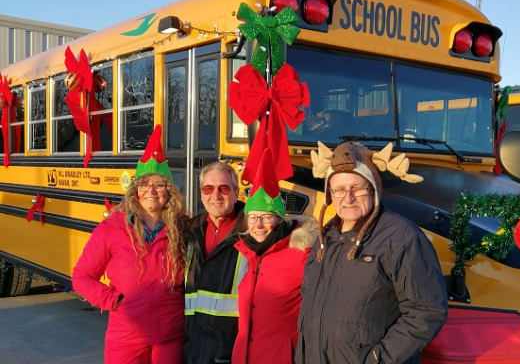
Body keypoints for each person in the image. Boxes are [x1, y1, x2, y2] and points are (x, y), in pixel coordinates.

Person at [296, 141, 448, 364]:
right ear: (330, 194)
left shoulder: (402, 238)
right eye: (339, 190)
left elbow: (426, 310)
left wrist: (379, 359)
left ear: (373, 189)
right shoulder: (325, 237)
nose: (348, 198)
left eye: (357, 188)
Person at [72, 125, 187, 364]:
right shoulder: (112, 228)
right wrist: (114, 300)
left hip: (170, 336)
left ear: (169, 191)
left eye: (159, 184)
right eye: (144, 184)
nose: (151, 191)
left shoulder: (183, 228)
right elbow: (82, 277)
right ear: (135, 190)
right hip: (126, 336)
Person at [232, 148, 317, 364]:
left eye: (266, 217)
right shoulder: (246, 253)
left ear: (280, 220)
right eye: (253, 217)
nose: (258, 225)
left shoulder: (301, 253)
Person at [183, 161, 246, 364]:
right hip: (193, 348)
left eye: (224, 189)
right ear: (201, 194)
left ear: (236, 193)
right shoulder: (189, 231)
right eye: (208, 189)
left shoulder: (252, 233)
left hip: (230, 349)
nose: (215, 195)